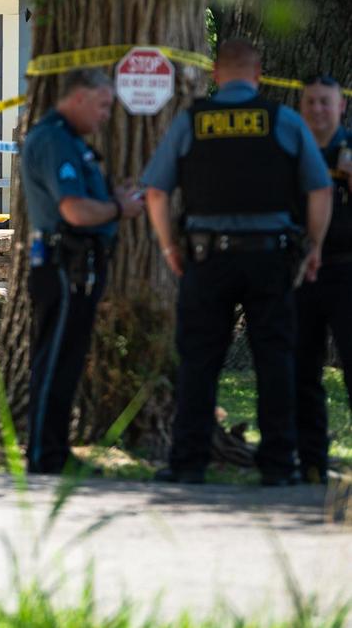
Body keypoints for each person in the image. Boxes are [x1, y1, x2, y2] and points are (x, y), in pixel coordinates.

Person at [143, 39, 332, 486]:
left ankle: (188, 463)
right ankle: (278, 465)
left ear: (214, 74)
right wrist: (315, 246)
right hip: (271, 258)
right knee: (275, 361)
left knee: (199, 361)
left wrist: (170, 247)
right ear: (259, 74)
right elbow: (320, 189)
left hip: (207, 259)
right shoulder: (283, 121)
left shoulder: (191, 122)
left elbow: (155, 191)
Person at [20, 68, 145, 475]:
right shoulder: (55, 139)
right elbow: (73, 210)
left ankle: (56, 451)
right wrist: (119, 209)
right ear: (79, 97)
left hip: (79, 266)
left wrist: (113, 200)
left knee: (69, 363)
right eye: (104, 105)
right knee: (54, 362)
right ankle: (43, 455)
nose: (107, 115)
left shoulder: (71, 141)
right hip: (62, 266)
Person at [295, 75, 352, 483]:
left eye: (325, 102)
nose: (318, 109)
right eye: (311, 102)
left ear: (341, 106)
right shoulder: (289, 149)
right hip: (301, 272)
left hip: (348, 270)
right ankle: (311, 462)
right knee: (302, 370)